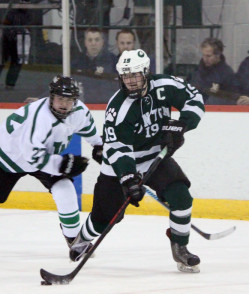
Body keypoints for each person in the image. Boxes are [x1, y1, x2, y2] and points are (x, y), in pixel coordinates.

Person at [69, 49, 205, 273]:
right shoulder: (118, 108)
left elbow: (194, 98)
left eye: (135, 75)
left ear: (146, 73)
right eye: (125, 75)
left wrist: (183, 124)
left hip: (154, 156)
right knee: (106, 217)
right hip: (120, 165)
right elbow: (116, 148)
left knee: (181, 196)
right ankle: (82, 239)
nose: (130, 81)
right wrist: (129, 178)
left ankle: (180, 247)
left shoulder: (164, 85)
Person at [0, 75, 103, 252]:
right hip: (9, 157)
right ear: (51, 98)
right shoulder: (40, 119)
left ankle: (75, 241)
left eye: (69, 100)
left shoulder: (79, 113)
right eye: (60, 99)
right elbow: (32, 156)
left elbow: (92, 134)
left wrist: (100, 148)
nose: (64, 104)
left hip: (44, 156)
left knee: (65, 188)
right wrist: (62, 165)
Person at [188, 37, 238, 105]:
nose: (205, 59)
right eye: (203, 55)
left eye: (208, 56)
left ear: (218, 55)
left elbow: (232, 98)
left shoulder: (227, 74)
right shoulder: (196, 72)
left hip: (215, 112)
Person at [0, 6, 31, 89]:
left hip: (20, 41)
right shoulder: (12, 12)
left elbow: (28, 26)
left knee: (16, 62)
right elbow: (5, 22)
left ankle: (10, 83)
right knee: (1, 61)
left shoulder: (27, 14)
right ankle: (10, 83)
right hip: (7, 40)